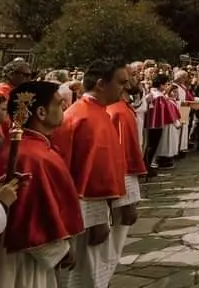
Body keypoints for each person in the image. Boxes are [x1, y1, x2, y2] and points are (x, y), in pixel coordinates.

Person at [0, 81, 84, 286]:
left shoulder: (30, 147)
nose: (64, 108)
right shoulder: (31, 156)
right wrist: (59, 251)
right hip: (18, 259)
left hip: (20, 254)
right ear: (41, 112)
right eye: (59, 103)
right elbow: (28, 217)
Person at [53, 59, 129, 288]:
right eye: (120, 82)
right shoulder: (83, 117)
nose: (124, 88)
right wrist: (96, 219)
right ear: (100, 84)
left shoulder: (98, 113)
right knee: (83, 275)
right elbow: (81, 174)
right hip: (82, 217)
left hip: (92, 213)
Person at [105, 77, 148, 281]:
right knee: (113, 242)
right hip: (119, 184)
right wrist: (127, 199)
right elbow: (122, 156)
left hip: (118, 184)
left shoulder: (121, 108)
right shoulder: (119, 112)